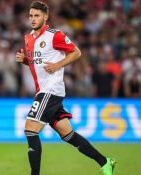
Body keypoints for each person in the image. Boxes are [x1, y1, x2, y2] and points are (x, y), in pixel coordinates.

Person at [15, 1, 116, 175]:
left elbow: (76, 52)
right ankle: (105, 162)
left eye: (37, 15)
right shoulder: (28, 38)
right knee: (68, 135)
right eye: (30, 15)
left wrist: (57, 65)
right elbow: (36, 64)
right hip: (43, 90)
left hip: (51, 90)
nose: (32, 19)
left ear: (45, 17)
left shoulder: (55, 35)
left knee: (30, 130)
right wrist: (25, 60)